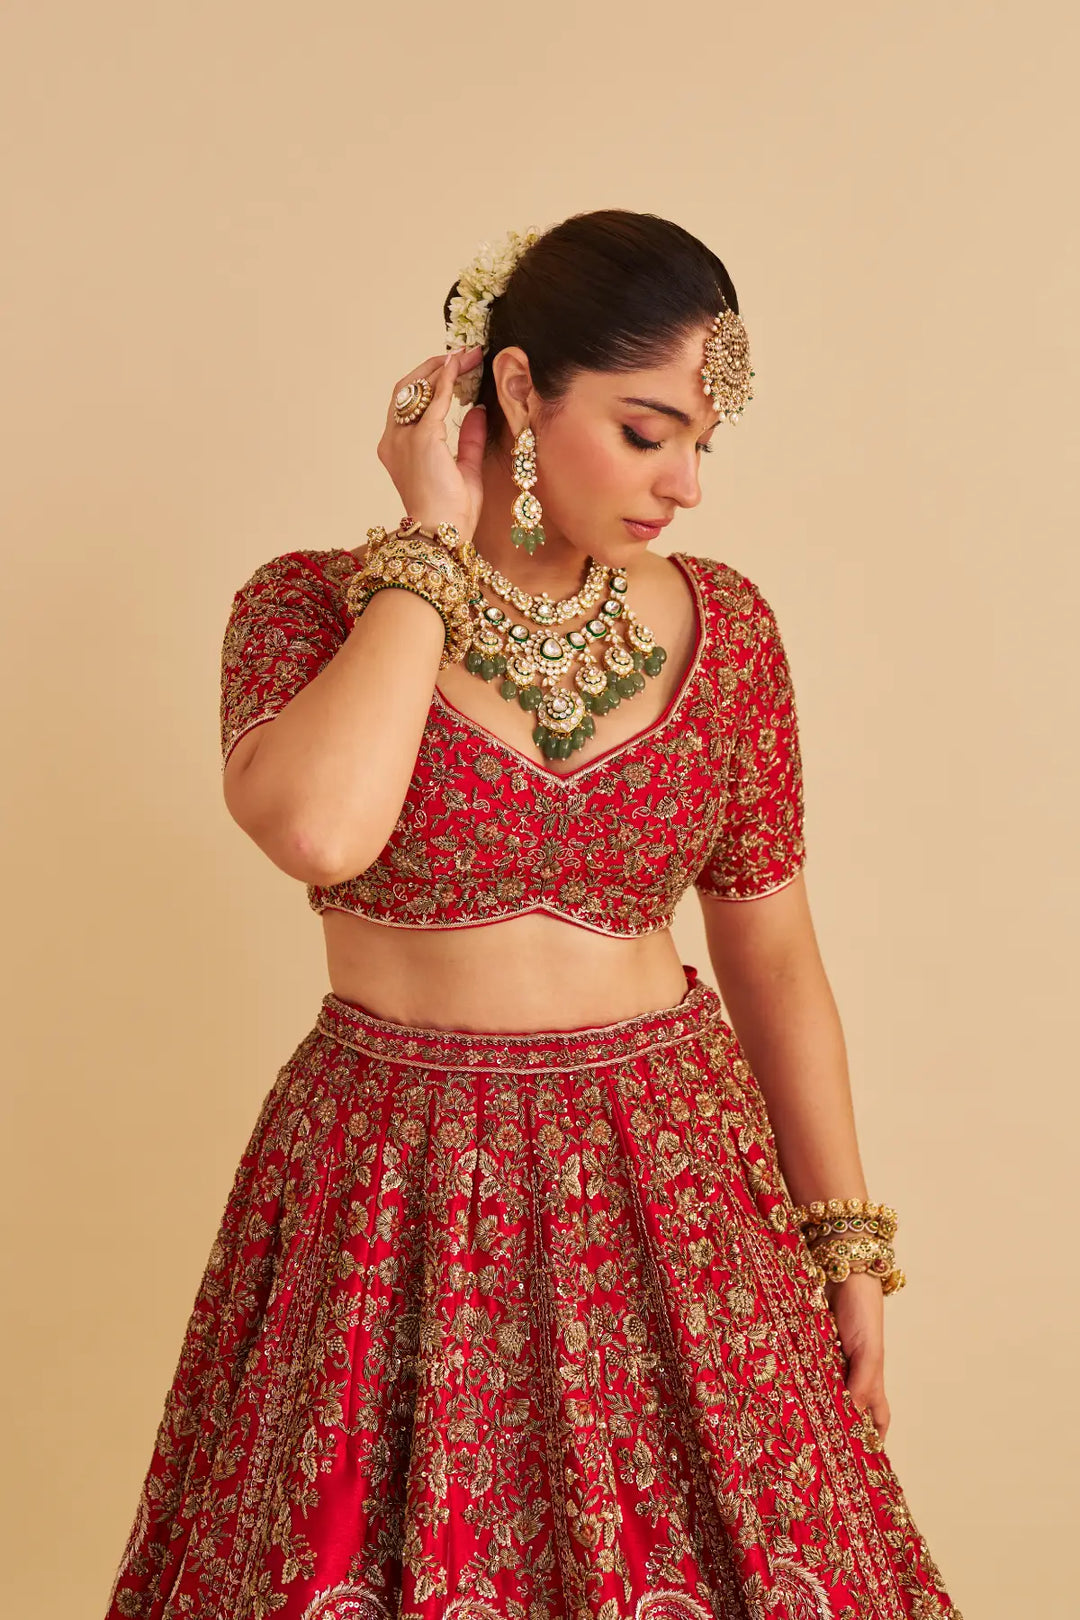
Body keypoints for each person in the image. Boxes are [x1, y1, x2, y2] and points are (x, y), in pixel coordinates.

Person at [104, 210, 964, 1620]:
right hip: (391, 1188)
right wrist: (430, 548)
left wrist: (845, 1241)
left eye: (703, 443)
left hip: (675, 1188)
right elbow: (324, 827)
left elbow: (775, 954)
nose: (685, 484)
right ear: (515, 390)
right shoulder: (305, 615)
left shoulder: (728, 631)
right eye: (646, 432)